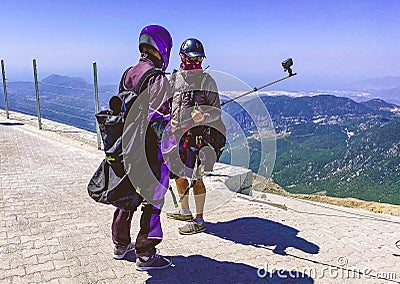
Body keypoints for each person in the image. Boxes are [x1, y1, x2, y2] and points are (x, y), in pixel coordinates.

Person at [111, 24, 174, 271]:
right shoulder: (157, 78)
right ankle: (146, 254)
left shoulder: (128, 73)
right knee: (154, 200)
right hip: (151, 152)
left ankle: (120, 244)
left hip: (126, 149)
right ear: (162, 48)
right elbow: (165, 121)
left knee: (127, 196)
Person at [166, 38, 225, 235]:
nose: (195, 63)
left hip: (198, 139)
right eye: (192, 59)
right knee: (179, 174)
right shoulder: (173, 79)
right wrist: (168, 121)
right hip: (177, 137)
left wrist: (204, 116)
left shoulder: (207, 81)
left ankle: (199, 220)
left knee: (196, 179)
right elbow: (166, 105)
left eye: (199, 59)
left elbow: (216, 112)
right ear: (182, 58)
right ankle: (185, 211)